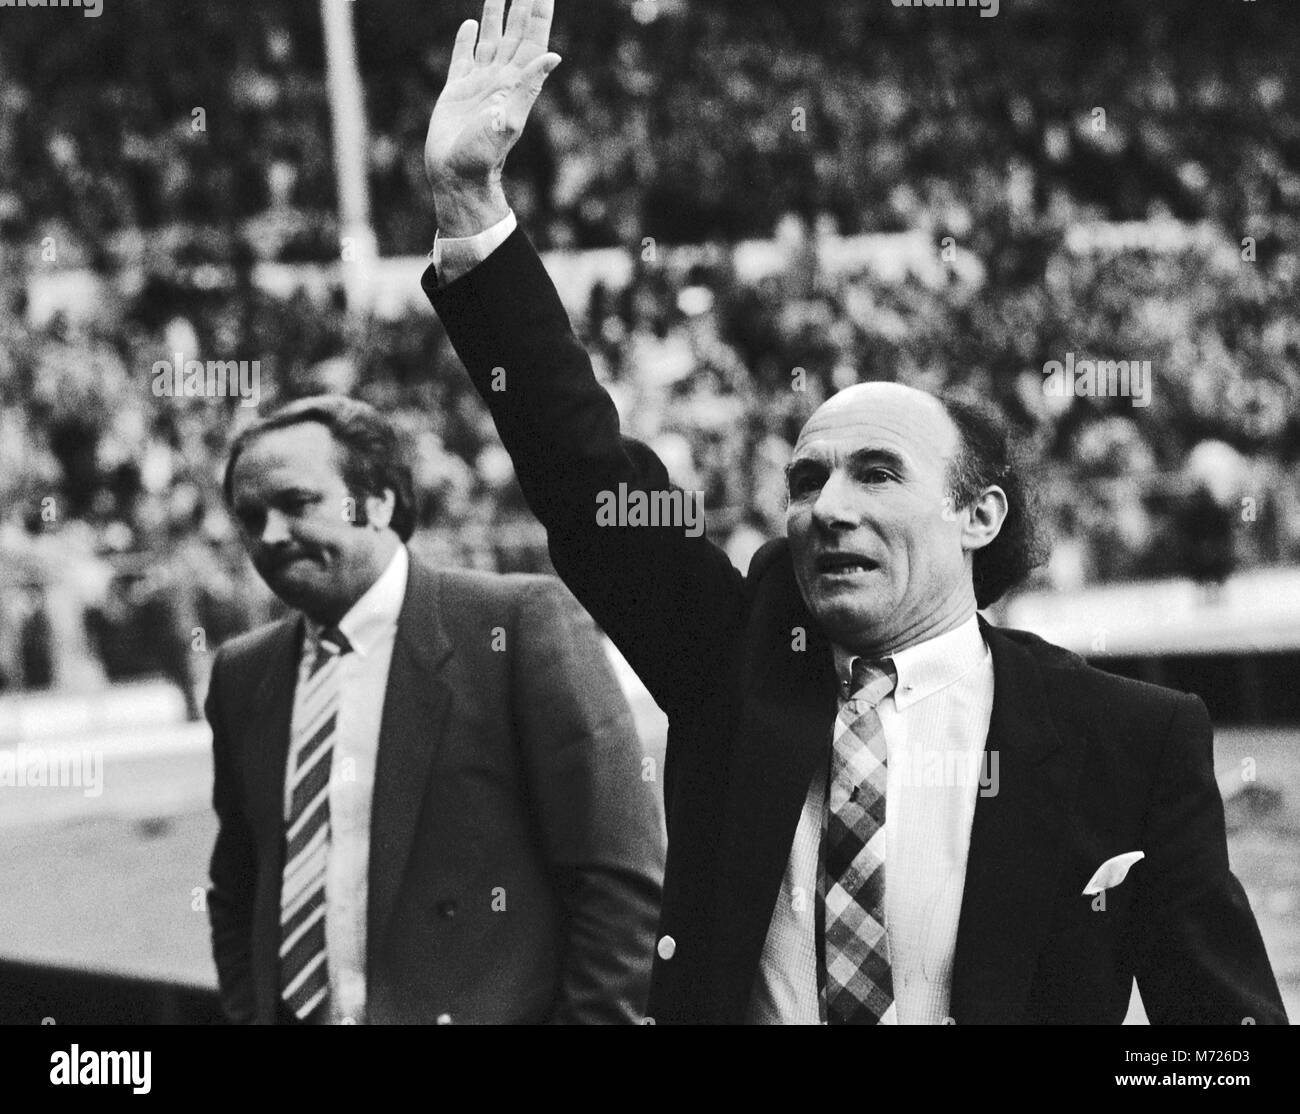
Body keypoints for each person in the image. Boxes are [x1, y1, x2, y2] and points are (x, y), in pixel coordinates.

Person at [417, 0, 1287, 1024]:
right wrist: (471, 202)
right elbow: (581, 468)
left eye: (875, 474)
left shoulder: (1124, 737)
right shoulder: (727, 656)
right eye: (804, 479)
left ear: (977, 515)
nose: (826, 507)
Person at [206, 394, 664, 1024]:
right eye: (251, 517)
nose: (271, 535)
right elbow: (237, 890)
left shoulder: (515, 626)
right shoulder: (242, 673)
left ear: (381, 501)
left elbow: (620, 881)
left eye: (296, 503)